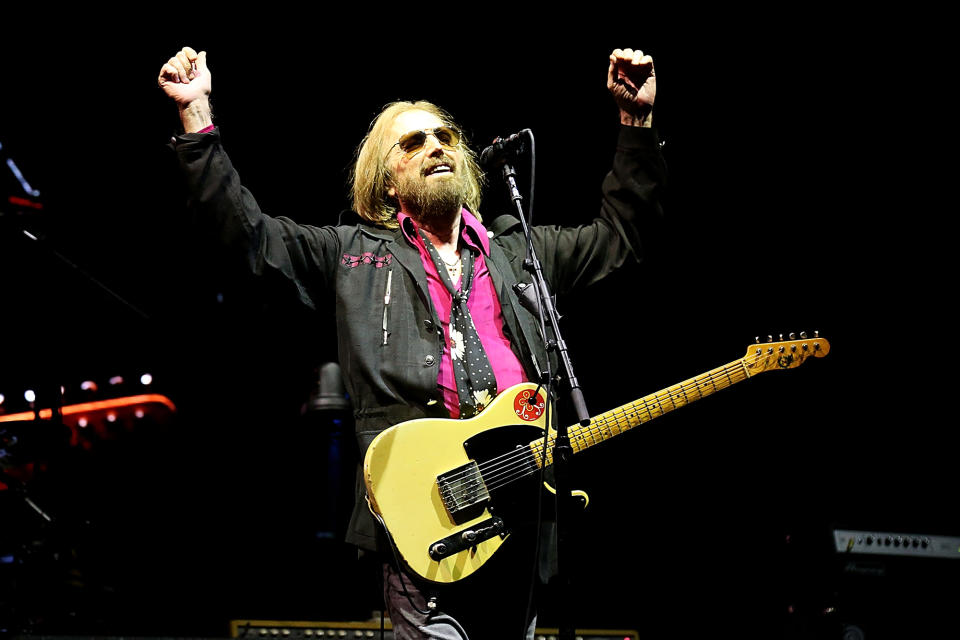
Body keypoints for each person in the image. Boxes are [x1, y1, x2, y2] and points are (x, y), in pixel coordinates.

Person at [158, 45, 664, 639]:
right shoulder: (353, 256)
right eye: (414, 143)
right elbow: (248, 239)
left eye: (445, 136)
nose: (436, 147)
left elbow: (622, 238)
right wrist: (197, 116)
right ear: (386, 176)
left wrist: (636, 125)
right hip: (423, 520)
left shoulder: (519, 252)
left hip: (519, 522)